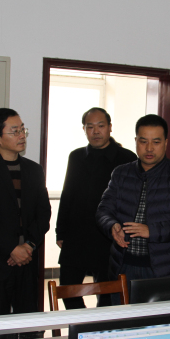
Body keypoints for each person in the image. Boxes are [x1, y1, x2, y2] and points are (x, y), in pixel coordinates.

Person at [96, 114, 170, 295]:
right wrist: (111, 225)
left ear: (166, 143)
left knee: (159, 314)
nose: (149, 148)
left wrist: (152, 231)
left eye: (156, 142)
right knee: (121, 313)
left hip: (163, 269)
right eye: (143, 141)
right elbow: (103, 210)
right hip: (122, 265)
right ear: (136, 141)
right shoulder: (121, 173)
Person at [0, 108, 51, 326]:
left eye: (23, 130)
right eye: (14, 131)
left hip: (28, 259)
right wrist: (11, 248)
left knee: (28, 323)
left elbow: (43, 213)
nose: (21, 135)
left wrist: (28, 245)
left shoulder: (34, 170)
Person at [55, 108, 136, 309]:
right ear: (84, 129)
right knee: (67, 289)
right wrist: (60, 231)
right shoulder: (76, 156)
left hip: (108, 235)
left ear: (110, 127)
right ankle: (82, 324)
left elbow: (132, 200)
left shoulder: (126, 157)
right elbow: (68, 194)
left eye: (101, 126)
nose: (96, 131)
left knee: (107, 294)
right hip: (76, 234)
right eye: (90, 127)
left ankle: (100, 327)